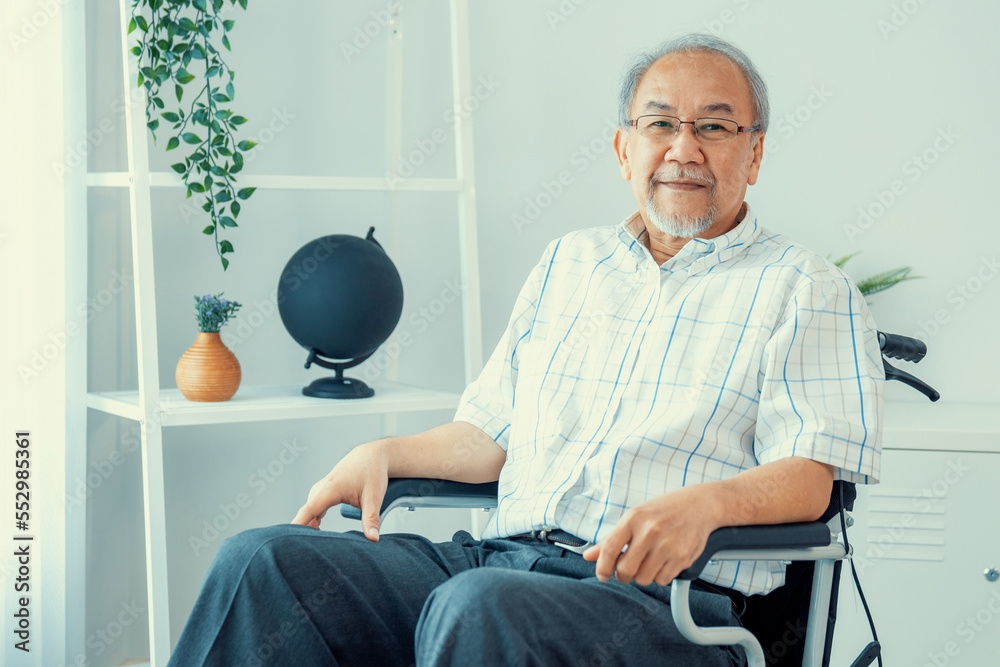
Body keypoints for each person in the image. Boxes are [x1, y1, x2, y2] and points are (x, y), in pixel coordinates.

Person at [168, 33, 883, 667]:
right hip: (495, 560)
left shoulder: (805, 288)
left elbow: (810, 474)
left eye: (715, 127)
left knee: (478, 607)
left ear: (754, 152)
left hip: (665, 607)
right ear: (623, 147)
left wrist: (707, 504)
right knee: (264, 562)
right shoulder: (569, 262)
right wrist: (386, 452)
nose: (683, 148)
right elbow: (489, 434)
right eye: (660, 123)